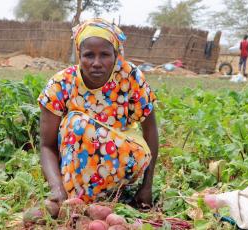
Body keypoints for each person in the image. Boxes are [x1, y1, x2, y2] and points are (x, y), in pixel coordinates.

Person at [37, 18, 158, 208]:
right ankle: (74, 200)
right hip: (75, 166)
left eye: (104, 55)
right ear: (79, 55)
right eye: (88, 55)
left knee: (138, 151)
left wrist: (147, 186)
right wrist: (56, 188)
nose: (96, 63)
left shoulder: (130, 77)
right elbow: (46, 146)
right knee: (77, 123)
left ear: (116, 55)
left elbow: (150, 130)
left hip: (121, 160)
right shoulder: (61, 84)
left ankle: (107, 194)